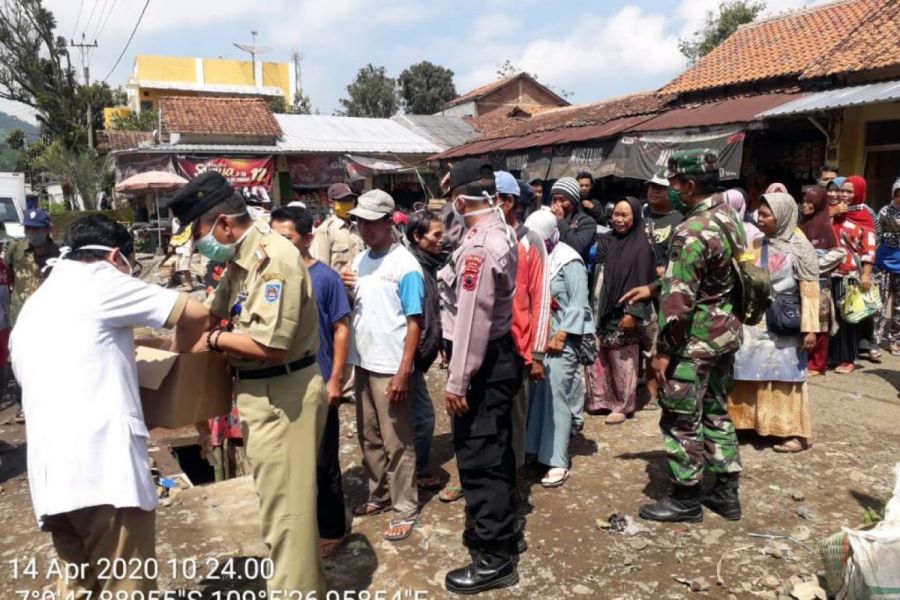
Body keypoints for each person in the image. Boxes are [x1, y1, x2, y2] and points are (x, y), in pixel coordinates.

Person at [10, 215, 209, 597]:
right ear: (117, 256)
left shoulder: (38, 304)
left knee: (79, 587)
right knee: (127, 585)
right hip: (103, 475)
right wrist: (175, 358)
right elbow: (194, 313)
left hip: (53, 482)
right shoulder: (102, 281)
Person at [166, 172, 328, 596]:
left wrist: (215, 339)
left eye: (198, 233)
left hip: (283, 393)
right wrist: (175, 341)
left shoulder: (274, 259)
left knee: (287, 515)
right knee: (278, 508)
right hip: (263, 393)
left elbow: (267, 345)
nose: (198, 244)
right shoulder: (243, 258)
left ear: (222, 223)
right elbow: (212, 310)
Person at [622, 149, 746, 523]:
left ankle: (686, 497)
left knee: (680, 418)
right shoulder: (727, 218)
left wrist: (663, 352)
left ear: (690, 186)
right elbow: (713, 275)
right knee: (716, 411)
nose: (670, 189)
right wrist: (654, 286)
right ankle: (726, 492)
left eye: (673, 183)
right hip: (725, 335)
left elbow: (679, 304)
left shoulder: (691, 230)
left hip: (693, 342)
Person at [438, 159, 522, 594]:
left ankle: (494, 558)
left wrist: (458, 381)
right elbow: (459, 228)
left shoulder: (478, 249)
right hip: (499, 356)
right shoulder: (500, 230)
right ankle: (506, 534)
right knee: (499, 451)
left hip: (482, 361)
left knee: (479, 458)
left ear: (459, 199)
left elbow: (472, 319)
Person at [341, 190, 423, 543]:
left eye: (372, 222)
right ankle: (380, 493)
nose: (364, 228)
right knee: (369, 434)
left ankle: (405, 506)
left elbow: (414, 322)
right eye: (360, 221)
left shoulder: (405, 265)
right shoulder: (360, 261)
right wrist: (345, 292)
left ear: (389, 222)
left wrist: (404, 370)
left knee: (397, 440)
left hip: (390, 364)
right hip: (363, 361)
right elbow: (358, 307)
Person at [270, 206, 352, 559]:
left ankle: (332, 527)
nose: (279, 244)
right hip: (279, 384)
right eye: (273, 237)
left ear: (307, 238)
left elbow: (341, 329)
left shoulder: (326, 279)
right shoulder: (269, 276)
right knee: (286, 462)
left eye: (286, 238)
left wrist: (336, 379)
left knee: (322, 461)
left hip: (317, 382)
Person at [728, 192, 820, 453]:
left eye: (767, 214)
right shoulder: (756, 245)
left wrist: (810, 328)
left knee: (784, 376)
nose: (760, 218)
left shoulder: (801, 249)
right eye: (760, 212)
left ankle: (793, 433)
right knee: (746, 370)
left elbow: (810, 292)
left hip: (784, 324)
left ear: (782, 217)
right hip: (755, 323)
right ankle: (747, 424)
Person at [523, 210, 592, 487]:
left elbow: (578, 303)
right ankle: (535, 449)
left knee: (556, 399)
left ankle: (557, 461)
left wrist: (561, 334)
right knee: (537, 396)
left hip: (560, 341)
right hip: (538, 340)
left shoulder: (568, 260)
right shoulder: (534, 256)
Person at [586, 197, 656, 424]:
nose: (618, 219)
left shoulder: (642, 246)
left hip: (625, 310)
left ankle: (622, 405)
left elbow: (644, 279)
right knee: (600, 357)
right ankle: (600, 400)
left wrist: (632, 313)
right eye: (616, 214)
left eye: (624, 215)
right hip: (601, 306)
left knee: (622, 360)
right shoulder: (606, 240)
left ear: (635, 217)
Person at [404, 208, 446, 492]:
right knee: (424, 416)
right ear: (418, 236)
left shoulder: (429, 263)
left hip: (421, 354)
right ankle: (417, 470)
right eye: (436, 235)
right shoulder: (412, 267)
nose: (442, 240)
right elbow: (415, 318)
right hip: (411, 356)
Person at [312, 182, 364, 402]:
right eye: (343, 201)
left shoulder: (358, 228)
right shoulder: (326, 230)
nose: (348, 204)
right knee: (337, 338)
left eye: (350, 200)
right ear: (332, 203)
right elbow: (320, 265)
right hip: (337, 293)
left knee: (354, 338)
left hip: (357, 292)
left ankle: (349, 387)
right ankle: (338, 384)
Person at [638, 173, 682, 408]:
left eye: (660, 188)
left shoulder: (679, 220)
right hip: (639, 284)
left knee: (659, 339)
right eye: (651, 187)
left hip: (665, 288)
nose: (654, 192)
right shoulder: (641, 214)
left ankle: (654, 390)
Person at [829, 176, 877, 374]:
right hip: (829, 272)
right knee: (831, 316)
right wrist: (832, 213)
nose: (844, 195)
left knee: (849, 317)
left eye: (849, 192)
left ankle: (849, 358)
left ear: (858, 193)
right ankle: (834, 355)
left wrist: (866, 274)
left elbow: (870, 249)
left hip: (850, 275)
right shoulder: (835, 212)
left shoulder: (864, 216)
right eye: (843, 191)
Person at [798, 185, 844, 376]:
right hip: (800, 282)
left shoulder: (825, 226)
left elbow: (838, 253)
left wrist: (815, 266)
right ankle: (803, 359)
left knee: (819, 323)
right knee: (804, 320)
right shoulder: (800, 224)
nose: (805, 206)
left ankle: (817, 364)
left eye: (811, 202)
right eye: (804, 201)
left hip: (819, 284)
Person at [8, 208, 60, 327]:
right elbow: (9, 273)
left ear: (47, 229)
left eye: (36, 229)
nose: (30, 232)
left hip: (47, 316)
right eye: (27, 228)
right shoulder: (16, 249)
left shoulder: (59, 254)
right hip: (19, 315)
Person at [875, 177, 900, 356]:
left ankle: (895, 340)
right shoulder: (885, 210)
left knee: (899, 307)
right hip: (883, 262)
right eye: (898, 195)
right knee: (879, 304)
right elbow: (877, 232)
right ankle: (875, 339)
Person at [549, 177, 597, 261]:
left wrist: (560, 220)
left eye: (562, 200)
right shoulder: (549, 217)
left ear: (573, 201)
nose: (557, 204)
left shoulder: (587, 222)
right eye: (554, 200)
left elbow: (577, 247)